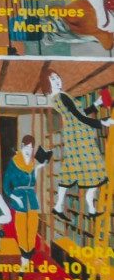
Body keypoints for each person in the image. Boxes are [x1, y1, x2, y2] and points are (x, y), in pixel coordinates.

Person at [48, 72, 113, 216]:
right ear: (47, 83)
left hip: (73, 135)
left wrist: (96, 104)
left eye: (58, 77)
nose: (57, 81)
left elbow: (79, 113)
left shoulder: (55, 99)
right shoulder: (62, 96)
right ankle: (89, 208)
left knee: (70, 170)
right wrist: (101, 122)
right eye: (52, 79)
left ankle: (60, 207)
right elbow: (79, 116)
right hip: (80, 136)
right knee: (94, 169)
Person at [2, 135, 49, 259]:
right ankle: (24, 252)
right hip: (20, 198)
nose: (29, 150)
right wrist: (15, 198)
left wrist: (39, 168)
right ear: (22, 146)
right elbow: (6, 185)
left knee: (33, 225)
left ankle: (30, 250)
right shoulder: (14, 162)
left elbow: (32, 181)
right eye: (27, 147)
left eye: (32, 147)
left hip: (31, 199)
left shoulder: (32, 163)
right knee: (21, 227)